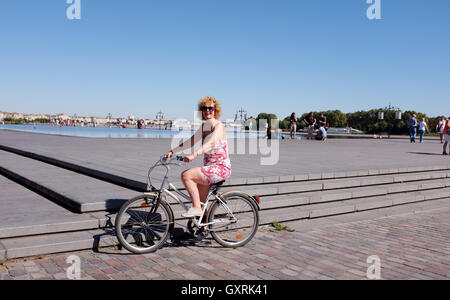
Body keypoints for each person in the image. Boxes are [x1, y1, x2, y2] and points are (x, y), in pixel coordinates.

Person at [164, 96, 231, 217]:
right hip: (209, 168)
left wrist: (194, 154)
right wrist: (172, 151)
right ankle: (203, 227)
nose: (207, 111)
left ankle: (196, 208)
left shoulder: (219, 126)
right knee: (201, 201)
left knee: (186, 175)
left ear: (215, 110)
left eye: (211, 108)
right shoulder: (204, 127)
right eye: (204, 108)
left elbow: (211, 143)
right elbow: (191, 141)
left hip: (220, 168)